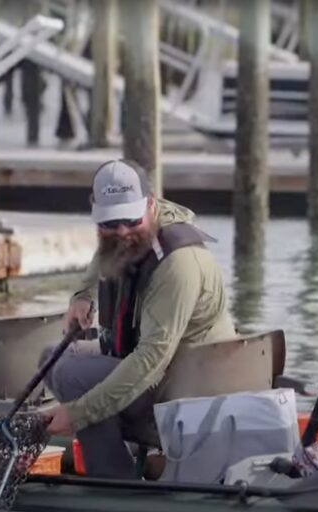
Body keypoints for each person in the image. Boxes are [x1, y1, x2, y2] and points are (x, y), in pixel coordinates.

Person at [38, 159, 237, 479]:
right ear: (96, 213)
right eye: (109, 223)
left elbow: (151, 360)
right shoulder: (131, 232)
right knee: (52, 357)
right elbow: (107, 250)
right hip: (162, 369)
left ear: (151, 205)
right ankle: (119, 452)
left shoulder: (178, 264)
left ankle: (113, 479)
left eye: (131, 220)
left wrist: (77, 414)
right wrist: (83, 295)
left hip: (187, 387)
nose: (122, 232)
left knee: (74, 376)